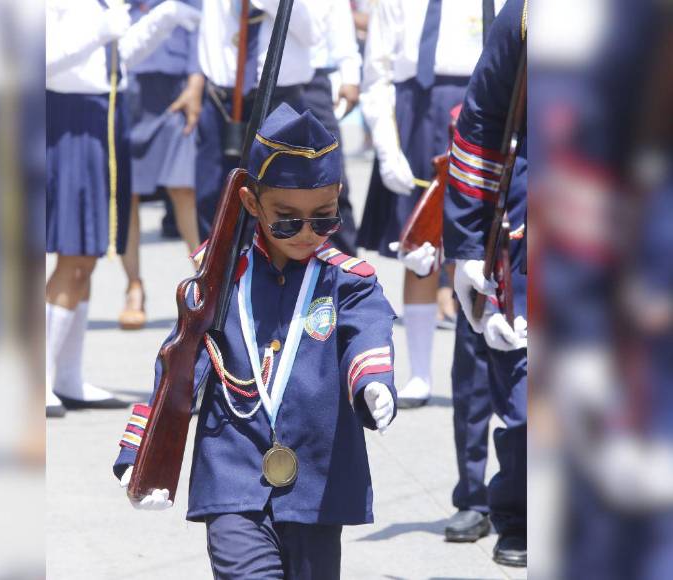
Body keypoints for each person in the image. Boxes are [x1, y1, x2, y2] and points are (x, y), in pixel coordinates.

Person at [113, 104, 397, 579]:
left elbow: (366, 332)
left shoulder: (348, 280)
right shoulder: (220, 281)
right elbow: (178, 366)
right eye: (286, 220)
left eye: (324, 219)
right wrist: (141, 456)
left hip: (317, 482)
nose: (307, 234)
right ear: (250, 204)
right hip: (233, 472)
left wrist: (373, 384)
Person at [45, 0, 200, 416]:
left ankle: (67, 376)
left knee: (88, 256)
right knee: (73, 252)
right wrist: (98, 31)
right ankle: (41, 376)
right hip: (69, 117)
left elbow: (119, 58)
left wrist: (163, 20)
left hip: (104, 115)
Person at [358, 0, 501, 407]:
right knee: (420, 245)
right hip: (416, 109)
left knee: (482, 244)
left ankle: (484, 373)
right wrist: (387, 147)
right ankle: (419, 372)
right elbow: (377, 72)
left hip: (482, 99)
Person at [443, 0, 528, 567]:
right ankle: (521, 512)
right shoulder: (527, 15)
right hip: (543, 235)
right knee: (528, 395)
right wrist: (469, 247)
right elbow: (480, 124)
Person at [194, 0, 318, 242]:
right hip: (222, 100)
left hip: (279, 99)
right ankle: (221, 275)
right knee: (213, 200)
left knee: (281, 200)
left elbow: (313, 33)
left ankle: (272, 276)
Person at [119, 0, 203, 330]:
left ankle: (206, 281)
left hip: (176, 92)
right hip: (125, 89)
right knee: (127, 195)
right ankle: (133, 287)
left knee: (184, 189)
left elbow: (200, 23)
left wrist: (196, 85)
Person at [301, 0, 362, 256]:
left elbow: (337, 13)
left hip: (311, 81)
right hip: (252, 84)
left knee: (330, 180)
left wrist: (350, 74)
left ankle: (344, 269)